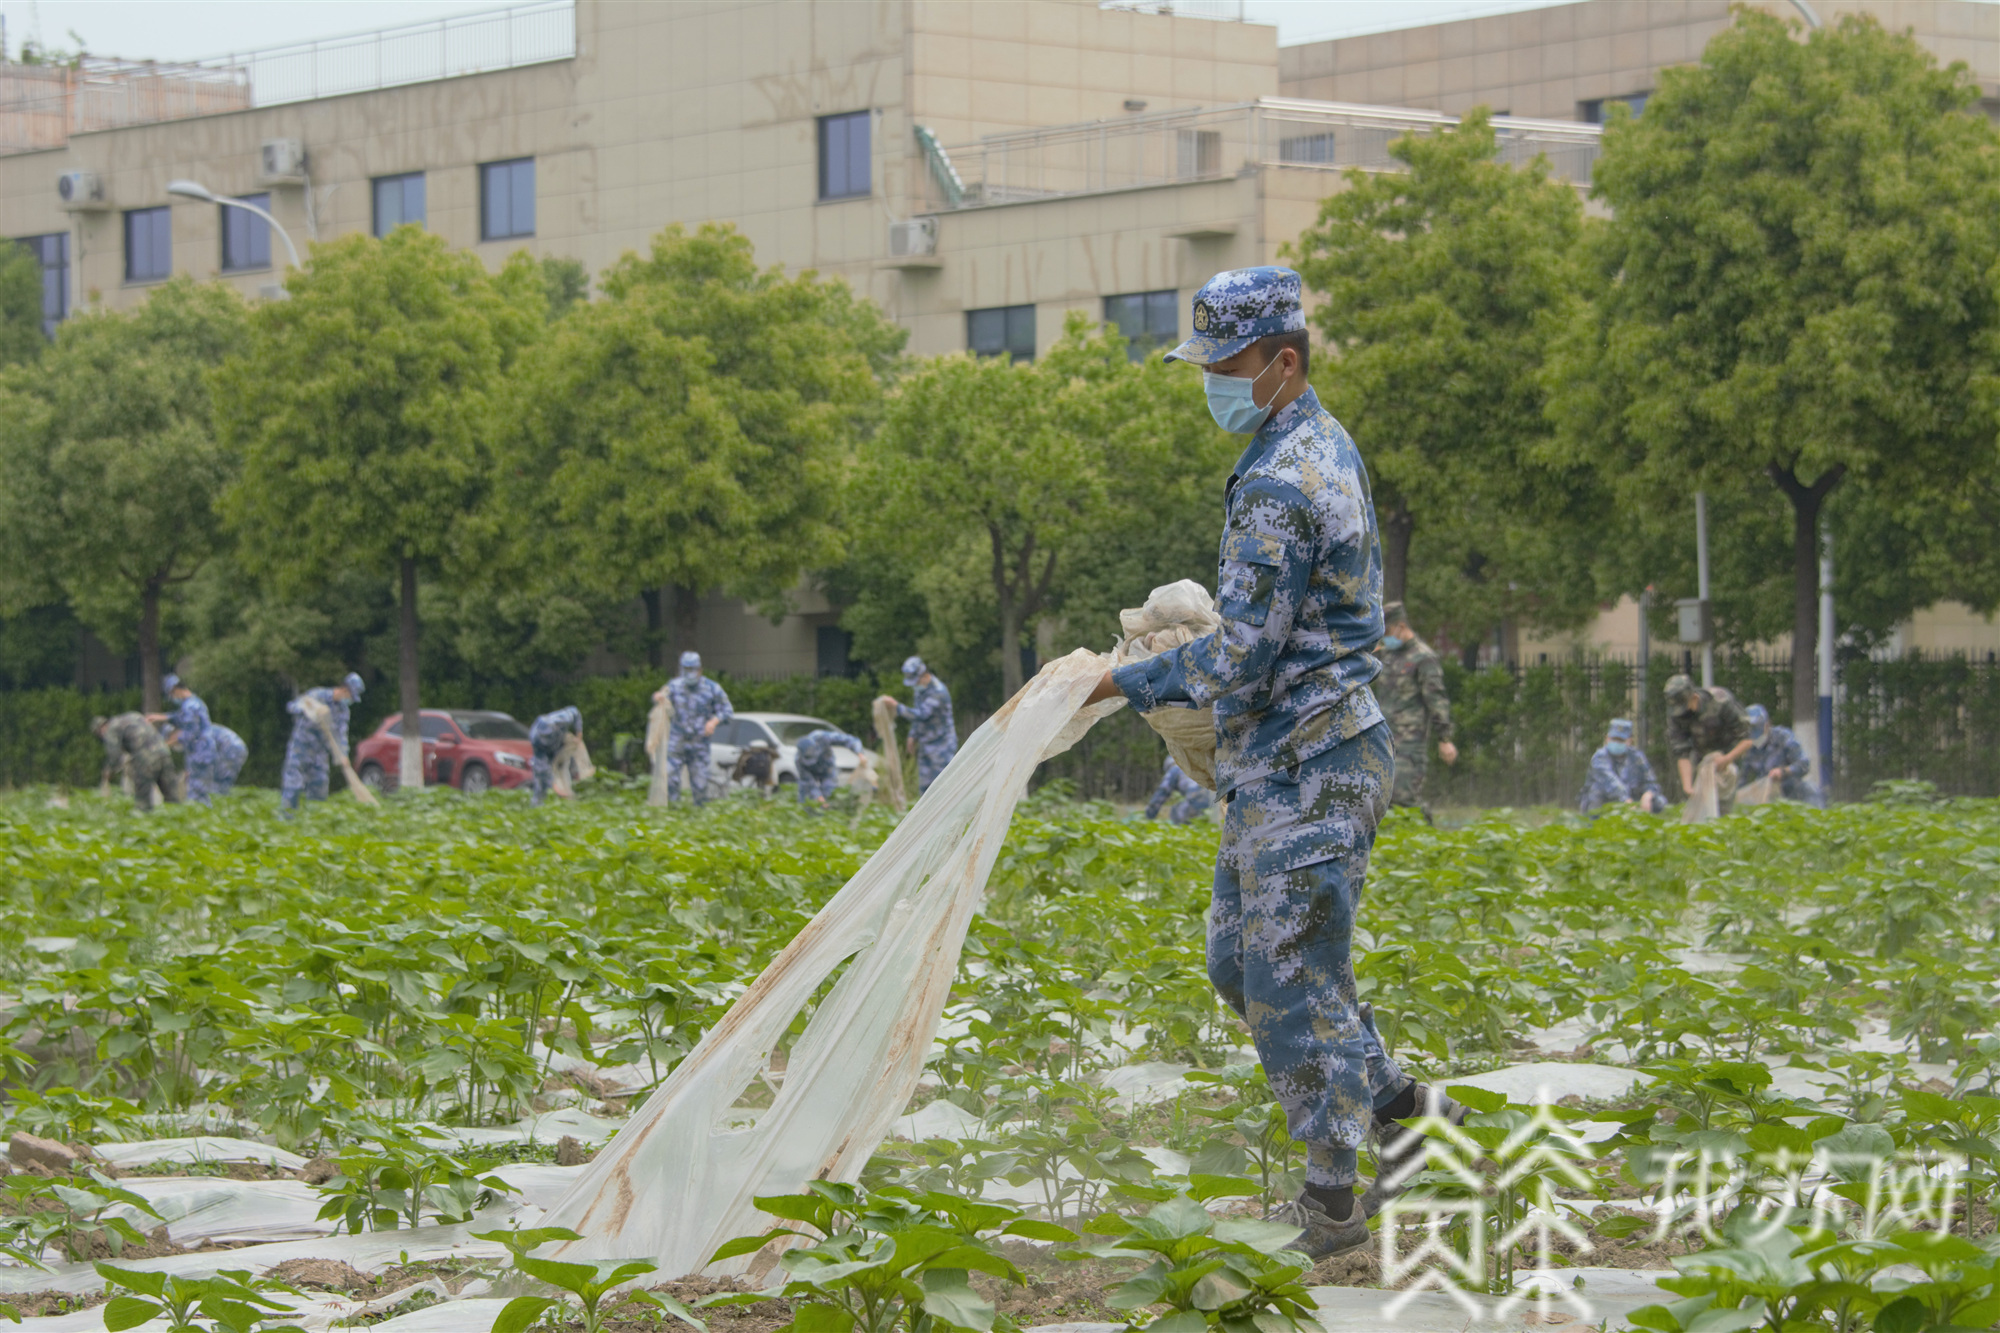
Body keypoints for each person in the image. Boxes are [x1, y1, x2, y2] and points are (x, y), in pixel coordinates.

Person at [1080, 267, 1464, 1258]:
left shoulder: (1280, 483)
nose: (1211, 377)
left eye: (1227, 363)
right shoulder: (1304, 444)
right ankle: (1405, 1114)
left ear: (1280, 362)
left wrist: (1118, 683)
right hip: (1285, 760)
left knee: (1288, 975)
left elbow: (1243, 653)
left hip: (1312, 758)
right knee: (1238, 963)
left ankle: (1331, 1203)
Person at [1374, 602, 1458, 823]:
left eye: (1388, 632)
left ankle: (1426, 841)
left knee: (1404, 798)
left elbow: (1436, 699)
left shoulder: (1423, 657)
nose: (1385, 638)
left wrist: (1445, 738)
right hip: (1385, 738)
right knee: (1384, 797)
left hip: (1410, 741)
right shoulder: (1388, 656)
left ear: (1400, 626)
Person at [1664, 673, 1752, 814]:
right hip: (1702, 757)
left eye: (1685, 707)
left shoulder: (1720, 702)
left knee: (1726, 806)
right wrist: (1688, 787)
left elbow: (1747, 738)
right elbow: (1682, 752)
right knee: (1700, 809)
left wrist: (1727, 759)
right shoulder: (1676, 715)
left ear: (1694, 698)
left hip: (1731, 754)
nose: (1682, 712)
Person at [658, 651, 732, 806]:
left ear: (700, 670)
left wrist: (714, 721)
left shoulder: (712, 688)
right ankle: (673, 814)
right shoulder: (674, 686)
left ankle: (698, 817)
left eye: (692, 669)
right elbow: (662, 700)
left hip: (700, 744)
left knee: (700, 784)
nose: (689, 673)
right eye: (686, 669)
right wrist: (659, 698)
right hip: (677, 741)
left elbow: (727, 711)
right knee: (670, 778)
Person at [282, 673, 363, 813]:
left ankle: (314, 822)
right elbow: (291, 707)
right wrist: (310, 709)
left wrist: (343, 754)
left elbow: (341, 734)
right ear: (344, 690)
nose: (349, 700)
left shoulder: (343, 711)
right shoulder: (317, 695)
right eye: (350, 696)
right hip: (301, 748)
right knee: (293, 785)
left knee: (319, 786)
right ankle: (286, 820)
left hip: (320, 753)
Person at [879, 657, 957, 794]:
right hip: (926, 743)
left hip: (942, 745)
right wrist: (912, 736)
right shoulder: (920, 691)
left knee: (942, 787)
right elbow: (918, 719)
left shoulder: (938, 692)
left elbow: (921, 715)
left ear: (923, 675)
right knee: (925, 788)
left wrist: (896, 707)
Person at [149, 674, 221, 804]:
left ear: (175, 690)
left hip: (200, 754)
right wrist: (162, 717)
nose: (172, 698)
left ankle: (202, 820)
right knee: (199, 791)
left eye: (171, 694)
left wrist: (165, 745)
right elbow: (180, 717)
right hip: (201, 753)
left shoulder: (190, 706)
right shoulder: (194, 702)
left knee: (197, 795)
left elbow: (188, 734)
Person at [93, 712, 180, 811]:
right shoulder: (133, 716)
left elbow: (114, 756)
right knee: (172, 797)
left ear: (101, 729)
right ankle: (178, 821)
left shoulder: (111, 729)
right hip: (164, 753)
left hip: (145, 759)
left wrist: (108, 772)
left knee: (143, 801)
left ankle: (145, 822)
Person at [1578, 718, 1665, 815]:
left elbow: (1651, 781)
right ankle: (1593, 824)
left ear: (1629, 741)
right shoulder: (1599, 757)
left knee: (1658, 800)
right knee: (1596, 790)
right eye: (1614, 739)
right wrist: (1626, 801)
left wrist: (1648, 794)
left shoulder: (1637, 757)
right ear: (1607, 738)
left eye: (1621, 740)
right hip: (1608, 800)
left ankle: (1648, 824)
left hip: (1632, 799)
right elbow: (1611, 783)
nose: (1617, 743)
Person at [1740, 704, 1822, 806]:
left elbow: (1804, 764)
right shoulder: (1748, 747)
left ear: (1767, 725)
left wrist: (1783, 771)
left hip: (1792, 790)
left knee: (1810, 789)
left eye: (1757, 729)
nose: (1754, 735)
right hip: (1767, 797)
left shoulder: (1783, 736)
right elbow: (1742, 780)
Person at [794, 727, 866, 808]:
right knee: (806, 797)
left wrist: (860, 753)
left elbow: (849, 740)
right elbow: (809, 783)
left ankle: (830, 813)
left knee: (829, 792)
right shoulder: (799, 761)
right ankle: (807, 816)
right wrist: (820, 799)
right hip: (810, 773)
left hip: (827, 768)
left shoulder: (821, 737)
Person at [528, 706, 583, 807]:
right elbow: (543, 770)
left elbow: (575, 712)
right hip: (549, 754)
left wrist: (579, 734)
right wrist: (555, 787)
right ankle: (537, 805)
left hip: (560, 746)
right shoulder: (537, 742)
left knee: (566, 766)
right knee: (541, 783)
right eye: (546, 736)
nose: (548, 736)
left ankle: (569, 795)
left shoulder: (561, 719)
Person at [1145, 756, 1213, 825]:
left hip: (1196, 799)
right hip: (1212, 801)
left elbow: (1161, 793)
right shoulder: (1192, 766)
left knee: (1175, 811)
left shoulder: (1174, 770)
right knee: (1202, 823)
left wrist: (1149, 815)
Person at [209, 725, 249, 796]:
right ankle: (221, 799)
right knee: (224, 780)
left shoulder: (196, 734)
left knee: (219, 780)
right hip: (239, 749)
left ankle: (217, 799)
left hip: (231, 750)